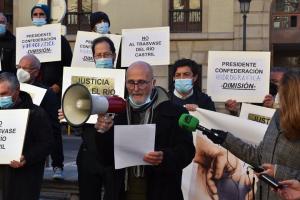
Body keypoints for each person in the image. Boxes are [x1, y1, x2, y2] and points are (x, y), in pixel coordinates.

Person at [94, 61, 195, 200]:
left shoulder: (175, 112)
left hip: (162, 192)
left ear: (153, 83)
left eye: (141, 82)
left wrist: (164, 156)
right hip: (121, 192)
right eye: (131, 82)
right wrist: (102, 133)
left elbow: (187, 151)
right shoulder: (116, 112)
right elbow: (105, 159)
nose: (136, 88)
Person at [201, 69, 300, 200]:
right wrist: (225, 139)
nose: (277, 95)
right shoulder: (277, 117)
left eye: (280, 90)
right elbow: (259, 157)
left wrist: (278, 172)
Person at [58, 36, 117, 199]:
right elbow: (78, 126)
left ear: (115, 55)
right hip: (88, 154)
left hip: (115, 156)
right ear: (93, 58)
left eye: (107, 54)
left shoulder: (126, 82)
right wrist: (69, 116)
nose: (103, 59)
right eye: (98, 55)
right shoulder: (83, 84)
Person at [0, 72, 54, 200]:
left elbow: (47, 143)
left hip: (25, 180)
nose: (0, 98)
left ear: (17, 91)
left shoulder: (36, 113)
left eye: (3, 94)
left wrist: (27, 157)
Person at [16, 54, 64, 179]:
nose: (21, 71)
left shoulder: (47, 93)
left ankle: (57, 165)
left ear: (36, 72)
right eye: (19, 67)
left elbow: (54, 128)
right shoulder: (13, 88)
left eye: (25, 68)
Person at [30, 3, 72, 100]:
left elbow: (69, 64)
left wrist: (59, 85)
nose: (38, 17)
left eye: (42, 14)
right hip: (32, 89)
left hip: (54, 90)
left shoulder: (60, 40)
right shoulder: (24, 40)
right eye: (35, 15)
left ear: (47, 16)